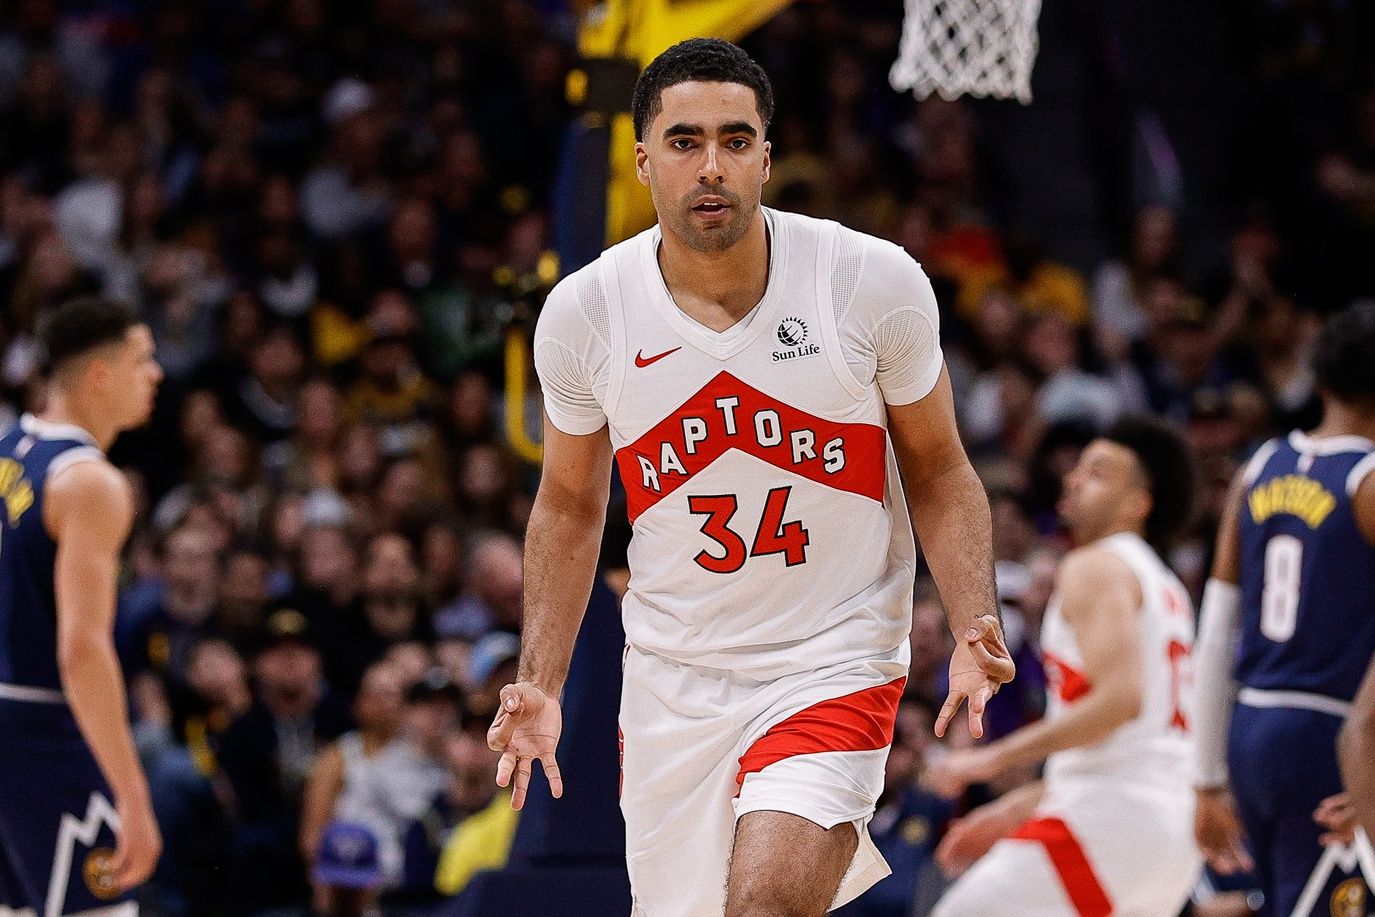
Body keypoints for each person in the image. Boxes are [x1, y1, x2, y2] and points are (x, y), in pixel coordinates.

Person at [487, 37, 1014, 916]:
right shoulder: (585, 312)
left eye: (735, 141)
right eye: (686, 141)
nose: (711, 165)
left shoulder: (868, 281)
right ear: (643, 158)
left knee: (765, 904)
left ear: (765, 157)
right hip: (672, 678)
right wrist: (539, 679)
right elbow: (572, 505)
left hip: (831, 657)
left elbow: (937, 465)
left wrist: (972, 618)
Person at [926, 416, 1202, 915]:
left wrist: (992, 758)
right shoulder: (1166, 586)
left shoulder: (1094, 566)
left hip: (1112, 818)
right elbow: (1130, 746)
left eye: (1097, 473)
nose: (1074, 479)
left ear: (1139, 503)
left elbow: (1121, 702)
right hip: (1167, 832)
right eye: (1078, 468)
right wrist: (1014, 808)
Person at [1195, 302, 1375, 916]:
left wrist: (1205, 776)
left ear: (1320, 380)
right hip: (1332, 730)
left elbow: (1217, 628)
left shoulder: (1256, 469)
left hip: (1250, 728)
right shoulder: (1368, 480)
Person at [0, 296, 164, 915]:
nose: (156, 374)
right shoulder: (90, 483)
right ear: (100, 374)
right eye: (143, 360)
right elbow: (81, 649)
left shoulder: (8, 450)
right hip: (45, 734)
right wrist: (131, 791)